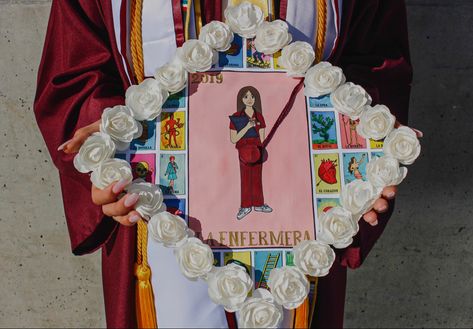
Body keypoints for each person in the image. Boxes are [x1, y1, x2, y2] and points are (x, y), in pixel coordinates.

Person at [33, 1, 420, 328]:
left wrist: (365, 148)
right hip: (156, 217)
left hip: (303, 224)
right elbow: (74, 71)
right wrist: (111, 156)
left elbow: (377, 59)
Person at [229, 86, 273, 220]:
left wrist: (260, 147)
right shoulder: (237, 117)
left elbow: (262, 137)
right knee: (245, 177)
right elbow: (233, 138)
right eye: (246, 96)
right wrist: (247, 127)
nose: (249, 99)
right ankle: (245, 206)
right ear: (241, 99)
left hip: (257, 150)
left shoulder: (259, 116)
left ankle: (259, 204)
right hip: (243, 151)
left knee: (257, 177)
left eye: (252, 96)